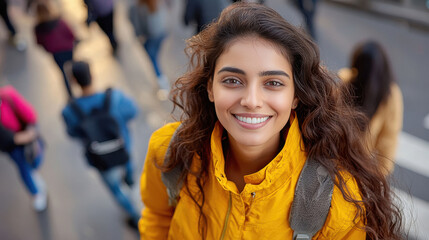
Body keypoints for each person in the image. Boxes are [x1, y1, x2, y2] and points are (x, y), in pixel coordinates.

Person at [139, 3, 403, 239]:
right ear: (210, 88)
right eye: (232, 80)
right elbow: (157, 218)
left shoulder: (336, 205)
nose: (251, 100)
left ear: (295, 97)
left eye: (273, 83)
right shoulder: (170, 150)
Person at [61, 61, 140, 228]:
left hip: (101, 159)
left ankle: (135, 216)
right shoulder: (114, 97)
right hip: (123, 148)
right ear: (93, 75)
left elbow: (73, 133)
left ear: (73, 81)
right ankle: (134, 189)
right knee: (131, 177)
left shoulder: (70, 111)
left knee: (116, 189)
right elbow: (133, 111)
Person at [339, 40, 404, 177]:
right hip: (347, 165)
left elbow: (388, 143)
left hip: (344, 164)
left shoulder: (390, 96)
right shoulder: (344, 81)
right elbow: (388, 142)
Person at [0, 85, 47, 212]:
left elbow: (30, 115)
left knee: (35, 161)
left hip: (27, 139)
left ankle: (34, 174)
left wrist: (28, 134)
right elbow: (8, 139)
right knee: (24, 170)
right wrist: (18, 138)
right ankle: (37, 193)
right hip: (13, 148)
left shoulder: (7, 96)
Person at [128, 0, 170, 99]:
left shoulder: (136, 7)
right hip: (161, 34)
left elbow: (136, 24)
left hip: (148, 38)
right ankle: (163, 82)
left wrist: (139, 37)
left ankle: (163, 84)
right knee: (155, 57)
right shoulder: (157, 3)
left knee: (153, 60)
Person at [34, 1, 76, 99]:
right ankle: (79, 83)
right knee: (72, 67)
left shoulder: (38, 28)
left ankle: (70, 94)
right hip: (68, 49)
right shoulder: (59, 21)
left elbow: (39, 42)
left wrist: (48, 48)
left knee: (63, 72)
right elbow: (71, 33)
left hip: (56, 54)